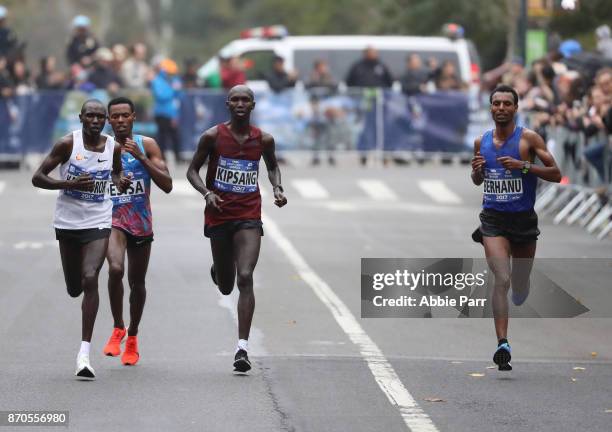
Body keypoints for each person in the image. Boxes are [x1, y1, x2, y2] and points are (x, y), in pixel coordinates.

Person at [186, 85, 287, 372]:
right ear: (228, 104)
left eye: (246, 100)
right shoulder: (213, 136)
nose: (241, 104)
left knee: (245, 277)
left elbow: (272, 166)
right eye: (236, 100)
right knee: (227, 283)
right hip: (219, 214)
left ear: (252, 105)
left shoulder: (263, 139)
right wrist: (207, 193)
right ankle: (219, 270)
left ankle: (242, 348)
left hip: (248, 215)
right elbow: (192, 170)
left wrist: (277, 187)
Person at [31, 99, 130, 380]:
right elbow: (38, 177)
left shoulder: (114, 147)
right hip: (67, 223)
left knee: (90, 278)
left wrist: (118, 179)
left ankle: (84, 353)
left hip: (98, 219)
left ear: (105, 121)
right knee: (75, 287)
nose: (96, 121)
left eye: (100, 117)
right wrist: (68, 184)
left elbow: (116, 170)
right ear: (81, 118)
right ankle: (83, 345)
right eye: (90, 116)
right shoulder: (66, 144)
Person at [471, 85, 561, 371]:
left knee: (519, 286)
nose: (500, 108)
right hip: (493, 219)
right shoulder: (481, 141)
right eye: (495, 103)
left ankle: (522, 287)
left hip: (523, 220)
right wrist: (477, 172)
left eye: (506, 104)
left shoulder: (529, 139)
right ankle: (502, 344)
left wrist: (524, 167)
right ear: (490, 108)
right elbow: (477, 180)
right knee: (501, 277)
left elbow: (556, 174)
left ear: (515, 108)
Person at [102, 97, 173, 365]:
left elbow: (167, 184)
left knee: (137, 283)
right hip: (113, 220)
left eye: (124, 116)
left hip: (141, 223)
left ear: (133, 117)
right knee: (116, 269)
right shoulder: (103, 147)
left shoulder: (148, 144)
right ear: (109, 120)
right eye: (115, 117)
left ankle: (132, 335)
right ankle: (118, 326)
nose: (120, 121)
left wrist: (141, 157)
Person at [150, 58, 183, 163]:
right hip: (162, 113)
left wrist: (176, 90)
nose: (172, 75)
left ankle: (178, 157)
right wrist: (173, 90)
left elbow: (180, 96)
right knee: (162, 136)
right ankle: (161, 156)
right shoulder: (157, 81)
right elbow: (161, 96)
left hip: (173, 113)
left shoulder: (174, 80)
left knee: (175, 135)